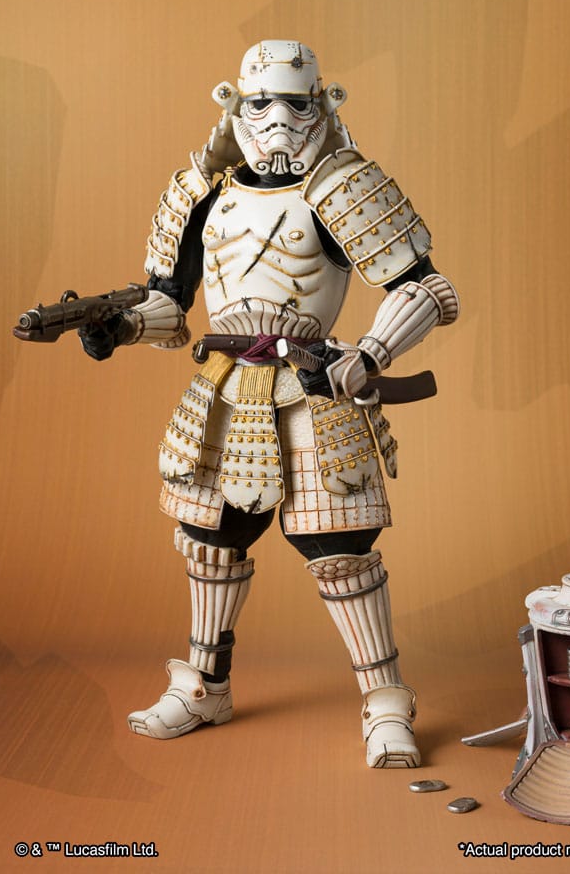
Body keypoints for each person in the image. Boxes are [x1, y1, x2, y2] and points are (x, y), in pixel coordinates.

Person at [81, 40, 458, 768]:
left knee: (341, 553)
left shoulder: (343, 187)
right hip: (225, 390)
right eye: (260, 103)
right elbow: (169, 304)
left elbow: (424, 287)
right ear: (233, 106)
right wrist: (121, 327)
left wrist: (369, 354)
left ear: (323, 106)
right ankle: (204, 686)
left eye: (295, 103)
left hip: (314, 386)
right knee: (210, 543)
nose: (277, 120)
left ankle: (386, 702)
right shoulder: (201, 193)